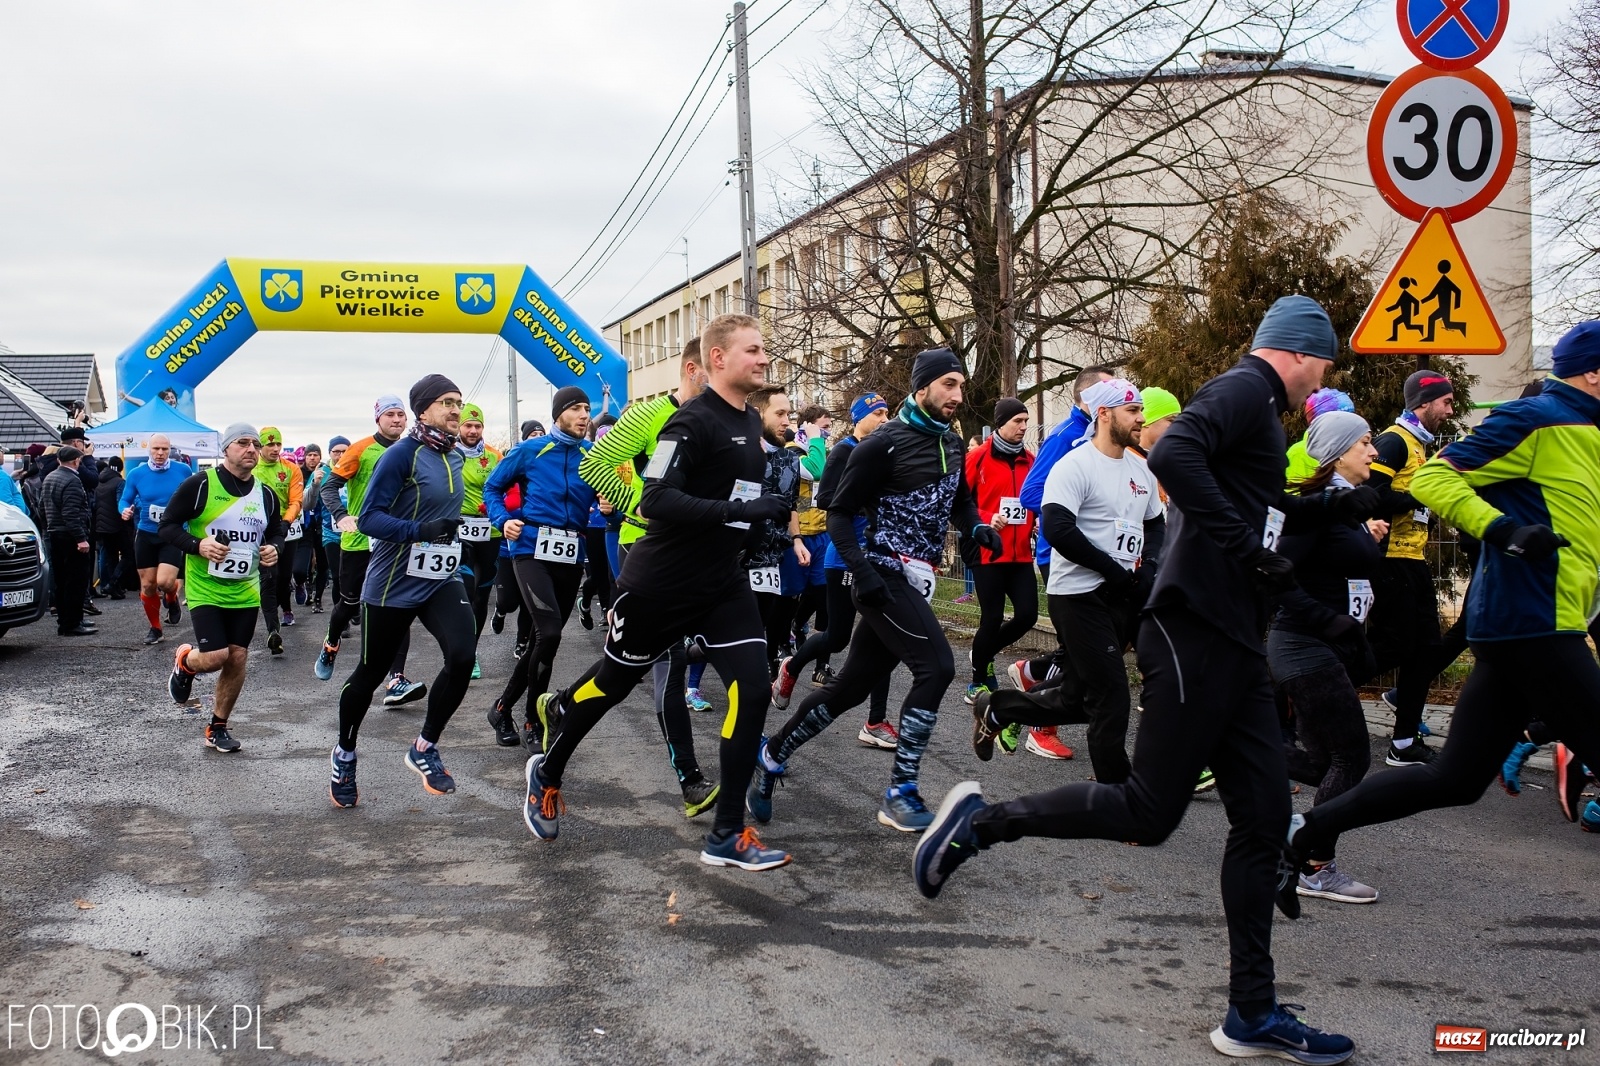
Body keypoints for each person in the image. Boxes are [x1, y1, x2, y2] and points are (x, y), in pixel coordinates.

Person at [917, 296, 1371, 1065]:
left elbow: (1255, 526)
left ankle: (1251, 1012)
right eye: (1325, 362)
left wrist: (1302, 575)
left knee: (1262, 823)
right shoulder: (1246, 389)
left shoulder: (1263, 417)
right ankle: (980, 825)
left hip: (1234, 644)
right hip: (1192, 635)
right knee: (1148, 809)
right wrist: (1245, 549)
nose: (1324, 377)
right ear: (1300, 352)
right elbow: (1178, 454)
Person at [1286, 320, 1600, 922]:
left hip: (1530, 624)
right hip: (1531, 620)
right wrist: (1505, 531)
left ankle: (1306, 833)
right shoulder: (1535, 418)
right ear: (1594, 372)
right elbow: (1434, 477)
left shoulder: (1588, 431)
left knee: (1457, 778)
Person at [523, 313, 791, 870]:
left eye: (764, 350)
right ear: (718, 359)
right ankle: (546, 771)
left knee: (754, 687)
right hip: (661, 584)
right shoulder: (689, 423)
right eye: (753, 350)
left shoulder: (748, 420)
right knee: (614, 684)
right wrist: (740, 510)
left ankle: (726, 833)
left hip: (722, 584)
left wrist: (758, 525)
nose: (764, 359)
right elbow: (656, 499)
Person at [751, 348, 1000, 833]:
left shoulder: (950, 441)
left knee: (849, 688)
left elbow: (960, 502)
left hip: (918, 580)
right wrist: (863, 572)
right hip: (880, 576)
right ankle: (901, 791)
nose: (957, 395)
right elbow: (838, 512)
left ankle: (772, 752)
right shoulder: (881, 445)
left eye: (961, 386)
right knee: (937, 668)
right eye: (948, 384)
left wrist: (975, 529)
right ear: (922, 387)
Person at [972, 378, 1165, 785]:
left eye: (1141, 411)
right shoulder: (1074, 465)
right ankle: (1119, 794)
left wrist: (1145, 570)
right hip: (1077, 595)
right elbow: (1058, 529)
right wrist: (1113, 571)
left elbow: (1155, 525)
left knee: (1079, 700)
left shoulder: (1141, 468)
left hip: (1122, 596)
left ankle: (1000, 709)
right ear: (1104, 414)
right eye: (1132, 411)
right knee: (1113, 697)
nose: (1140, 419)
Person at [575, 338, 716, 806]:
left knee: (637, 659)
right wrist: (644, 508)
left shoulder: (721, 420)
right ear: (695, 369)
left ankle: (560, 704)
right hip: (647, 547)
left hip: (701, 556)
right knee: (666, 661)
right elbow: (593, 464)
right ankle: (690, 779)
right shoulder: (647, 415)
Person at [328, 375, 478, 806]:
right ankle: (345, 752)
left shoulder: (454, 457)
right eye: (446, 403)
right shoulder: (400, 456)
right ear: (423, 409)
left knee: (463, 656)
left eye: (459, 402)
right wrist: (421, 530)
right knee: (371, 674)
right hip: (393, 581)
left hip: (439, 577)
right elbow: (370, 518)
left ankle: (424, 747)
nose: (455, 410)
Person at [1270, 410, 1385, 905]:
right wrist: (1324, 619)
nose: (1374, 451)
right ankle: (1315, 866)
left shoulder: (1349, 506)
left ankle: (1234, 749)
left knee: (1322, 763)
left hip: (1326, 644)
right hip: (1301, 643)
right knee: (1352, 756)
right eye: (1365, 443)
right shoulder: (1318, 507)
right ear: (1339, 452)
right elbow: (1274, 573)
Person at [771, 393, 896, 746]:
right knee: (837, 637)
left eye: (888, 413)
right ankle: (791, 667)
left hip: (876, 559)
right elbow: (824, 498)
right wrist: (862, 500)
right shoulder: (844, 450)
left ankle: (875, 721)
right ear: (860, 418)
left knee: (882, 637)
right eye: (879, 413)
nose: (886, 419)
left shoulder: (884, 450)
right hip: (842, 557)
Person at [1009, 364, 1116, 757]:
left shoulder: (1108, 441)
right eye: (1111, 391)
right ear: (1088, 400)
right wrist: (1072, 513)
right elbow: (1031, 492)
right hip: (1058, 556)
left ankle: (1032, 672)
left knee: (1096, 645)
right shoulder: (1066, 437)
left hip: (1099, 558)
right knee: (1078, 650)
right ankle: (1039, 727)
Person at [483, 387, 597, 753]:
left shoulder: (591, 455)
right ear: (559, 413)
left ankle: (501, 709)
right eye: (577, 408)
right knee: (549, 635)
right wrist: (504, 521)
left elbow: (610, 494)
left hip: (570, 553)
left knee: (540, 642)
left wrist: (609, 505)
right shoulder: (531, 451)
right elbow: (493, 487)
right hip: (531, 548)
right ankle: (534, 719)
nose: (584, 415)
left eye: (587, 409)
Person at [162, 424, 286, 752]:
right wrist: (197, 545)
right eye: (242, 443)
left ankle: (217, 726)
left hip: (245, 589)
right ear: (227, 449)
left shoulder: (266, 494)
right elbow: (167, 526)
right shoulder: (200, 485)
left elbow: (277, 531)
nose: (251, 449)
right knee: (216, 655)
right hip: (206, 587)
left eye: (255, 444)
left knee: (237, 657)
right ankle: (186, 662)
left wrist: (275, 548)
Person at [1362, 369, 1456, 765]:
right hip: (1389, 562)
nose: (1450, 411)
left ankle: (1403, 744)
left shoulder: (1420, 444)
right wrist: (1416, 498)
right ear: (1423, 402)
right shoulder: (1394, 441)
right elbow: (1370, 494)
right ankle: (1305, 692)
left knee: (1426, 652)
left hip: (1412, 561)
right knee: (1392, 648)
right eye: (1446, 403)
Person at [315, 397, 423, 705]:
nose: (397, 420)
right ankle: (331, 642)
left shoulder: (416, 450)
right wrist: (340, 515)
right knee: (349, 604)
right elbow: (329, 486)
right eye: (390, 414)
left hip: (398, 542)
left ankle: (396, 679)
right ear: (378, 419)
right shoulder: (360, 449)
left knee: (399, 607)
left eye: (402, 415)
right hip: (360, 541)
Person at [963, 398, 1037, 704]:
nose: (1023, 427)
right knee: (991, 618)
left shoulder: (1031, 459)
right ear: (1001, 423)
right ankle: (977, 680)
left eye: (1025, 421)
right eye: (1017, 421)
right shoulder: (978, 457)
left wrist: (1036, 520)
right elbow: (959, 504)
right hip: (988, 553)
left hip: (1020, 553)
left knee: (1027, 615)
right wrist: (984, 517)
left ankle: (982, 652)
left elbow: (1036, 497)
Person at [744, 387, 810, 678]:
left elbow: (791, 506)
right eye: (780, 414)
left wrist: (796, 540)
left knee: (768, 618)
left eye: (789, 414)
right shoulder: (739, 454)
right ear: (759, 414)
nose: (787, 422)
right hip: (739, 556)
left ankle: (763, 668)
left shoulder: (790, 459)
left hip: (773, 555)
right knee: (738, 625)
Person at [117, 434, 192, 644]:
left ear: (170, 450)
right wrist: (124, 511)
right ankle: (156, 628)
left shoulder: (182, 471)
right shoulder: (137, 473)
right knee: (148, 585)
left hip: (172, 533)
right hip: (146, 533)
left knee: (166, 581)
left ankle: (171, 597)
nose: (160, 453)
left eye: (164, 449)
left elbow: (195, 494)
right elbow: (125, 499)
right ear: (149, 449)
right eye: (156, 449)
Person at [455, 403, 502, 679]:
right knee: (467, 590)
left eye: (477, 426)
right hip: (459, 529)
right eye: (468, 425)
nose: (472, 430)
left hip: (490, 531)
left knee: (482, 595)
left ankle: (471, 651)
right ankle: (461, 650)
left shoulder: (495, 456)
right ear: (459, 427)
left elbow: (508, 486)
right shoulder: (447, 453)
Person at [254, 427, 304, 648]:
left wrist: (285, 522)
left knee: (284, 577)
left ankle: (285, 606)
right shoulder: (252, 468)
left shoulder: (291, 469)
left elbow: (296, 500)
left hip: (285, 529)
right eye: (270, 445)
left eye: (278, 445)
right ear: (260, 446)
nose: (275, 449)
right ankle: (273, 630)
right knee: (269, 578)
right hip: (258, 530)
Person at [42, 445, 95, 636]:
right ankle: (73, 623)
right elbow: (71, 513)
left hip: (55, 533)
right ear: (75, 461)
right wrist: (81, 538)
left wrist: (48, 526)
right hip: (71, 536)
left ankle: (66, 621)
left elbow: (42, 507)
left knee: (62, 580)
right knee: (76, 581)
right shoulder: (72, 480)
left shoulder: (50, 477)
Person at [1285, 389, 1356, 484]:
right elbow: (1293, 495)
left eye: (1352, 416)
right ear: (1321, 422)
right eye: (1341, 419)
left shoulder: (1351, 449)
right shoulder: (1299, 453)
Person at [314, 437, 350, 614]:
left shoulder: (356, 470)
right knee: (337, 576)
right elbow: (307, 503)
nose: (341, 455)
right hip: (331, 532)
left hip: (355, 532)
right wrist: (314, 484)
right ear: (330, 453)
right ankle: (341, 618)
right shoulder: (323, 472)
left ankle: (354, 607)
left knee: (355, 577)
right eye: (336, 451)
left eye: (345, 451)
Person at [93, 456, 131, 599]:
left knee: (110, 557)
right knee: (128, 555)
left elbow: (95, 504)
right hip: (117, 525)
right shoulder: (120, 482)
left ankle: (111, 587)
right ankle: (113, 584)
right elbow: (121, 503)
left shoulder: (99, 482)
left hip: (101, 526)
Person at [293, 443, 325, 610]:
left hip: (322, 525)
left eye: (316, 455)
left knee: (322, 564)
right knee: (299, 568)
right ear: (305, 457)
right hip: (303, 526)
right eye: (309, 455)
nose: (313, 458)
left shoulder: (327, 472)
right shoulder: (298, 473)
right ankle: (301, 582)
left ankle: (317, 599)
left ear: (320, 456)